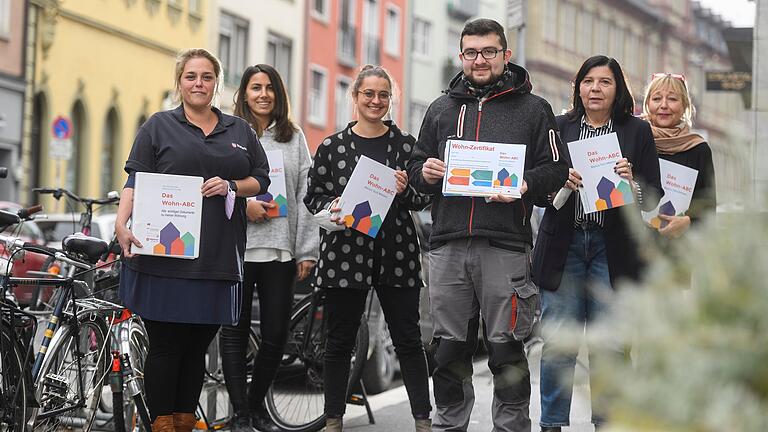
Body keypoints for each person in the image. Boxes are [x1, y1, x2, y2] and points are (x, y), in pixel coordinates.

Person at [406, 18, 568, 432]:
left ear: (505, 55)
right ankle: (450, 424)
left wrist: (524, 183)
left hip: (506, 247)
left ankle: (512, 427)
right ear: (461, 56)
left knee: (506, 350)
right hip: (448, 244)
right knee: (448, 351)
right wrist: (424, 170)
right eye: (471, 52)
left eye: (489, 52)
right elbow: (414, 165)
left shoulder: (535, 110)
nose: (480, 60)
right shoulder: (441, 109)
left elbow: (557, 169)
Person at [115, 48, 270, 432]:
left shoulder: (239, 130)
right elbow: (135, 180)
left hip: (216, 256)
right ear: (180, 82)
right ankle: (160, 426)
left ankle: (183, 424)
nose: (198, 84)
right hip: (163, 257)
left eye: (206, 77)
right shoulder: (157, 126)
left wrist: (231, 185)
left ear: (217, 82)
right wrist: (121, 223)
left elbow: (261, 180)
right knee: (166, 346)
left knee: (197, 347)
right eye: (190, 77)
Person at [531, 55, 663, 432]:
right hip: (565, 245)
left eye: (604, 82)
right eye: (588, 81)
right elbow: (541, 195)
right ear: (578, 87)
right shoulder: (559, 127)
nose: (595, 89)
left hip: (613, 248)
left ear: (618, 88)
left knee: (611, 345)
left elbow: (653, 197)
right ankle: (552, 424)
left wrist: (631, 181)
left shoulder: (636, 132)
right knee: (558, 343)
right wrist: (562, 184)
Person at [304, 65, 433, 432]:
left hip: (396, 253)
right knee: (339, 342)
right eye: (368, 94)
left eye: (383, 95)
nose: (375, 101)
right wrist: (334, 207)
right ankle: (333, 420)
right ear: (355, 97)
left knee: (408, 340)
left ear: (391, 99)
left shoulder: (407, 146)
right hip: (345, 254)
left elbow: (421, 199)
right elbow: (313, 199)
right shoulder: (332, 147)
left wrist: (406, 186)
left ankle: (422, 420)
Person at [219, 64, 319, 432]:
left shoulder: (294, 139)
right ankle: (240, 414)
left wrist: (308, 250)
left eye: (269, 88)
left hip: (279, 252)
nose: (263, 94)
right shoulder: (227, 134)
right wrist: (244, 207)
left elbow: (306, 196)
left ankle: (256, 404)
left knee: (277, 335)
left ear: (278, 93)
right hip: (235, 250)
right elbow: (214, 187)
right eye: (255, 87)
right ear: (243, 93)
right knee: (234, 333)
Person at [643, 72, 716, 238]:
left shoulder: (699, 149)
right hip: (635, 247)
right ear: (648, 104)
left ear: (684, 106)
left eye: (672, 99)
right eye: (656, 99)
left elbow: (709, 206)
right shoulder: (636, 141)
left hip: (679, 248)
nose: (663, 105)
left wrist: (688, 222)